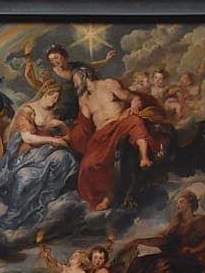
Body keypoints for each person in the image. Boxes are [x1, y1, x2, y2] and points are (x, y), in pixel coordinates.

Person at [68, 65, 161, 211]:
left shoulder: (109, 84)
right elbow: (85, 126)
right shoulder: (84, 100)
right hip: (101, 135)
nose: (74, 85)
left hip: (119, 124)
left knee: (135, 121)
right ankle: (105, 196)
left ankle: (144, 157)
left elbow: (130, 97)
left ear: (84, 76)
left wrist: (135, 101)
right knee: (87, 165)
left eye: (75, 81)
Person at [0, 81, 79, 230]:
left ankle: (43, 201)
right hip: (29, 152)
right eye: (54, 98)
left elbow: (68, 139)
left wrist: (60, 125)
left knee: (66, 159)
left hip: (48, 151)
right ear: (46, 94)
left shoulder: (55, 112)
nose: (55, 102)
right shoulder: (27, 110)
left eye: (58, 99)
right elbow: (28, 138)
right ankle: (12, 220)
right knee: (26, 178)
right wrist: (51, 140)